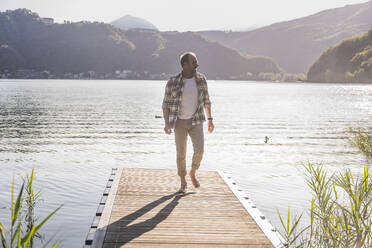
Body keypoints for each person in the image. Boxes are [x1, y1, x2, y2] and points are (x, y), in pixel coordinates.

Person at [162, 52, 214, 193]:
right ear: (184, 65)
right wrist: (167, 123)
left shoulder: (201, 79)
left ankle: (193, 171)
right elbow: (165, 104)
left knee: (200, 150)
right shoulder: (173, 82)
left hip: (196, 120)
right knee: (181, 153)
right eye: (193, 62)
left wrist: (210, 120)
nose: (196, 64)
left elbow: (206, 101)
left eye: (196, 61)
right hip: (179, 122)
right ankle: (183, 181)